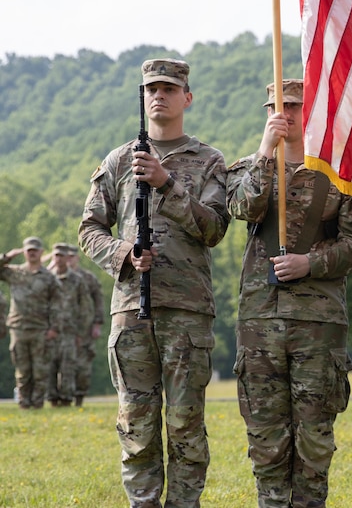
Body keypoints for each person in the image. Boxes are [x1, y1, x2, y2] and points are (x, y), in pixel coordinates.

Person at [79, 58, 230, 507]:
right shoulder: (120, 160)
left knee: (186, 428)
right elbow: (89, 229)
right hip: (131, 310)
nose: (158, 96)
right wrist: (125, 254)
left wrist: (167, 184)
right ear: (143, 98)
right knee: (137, 427)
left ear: (187, 97)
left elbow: (215, 229)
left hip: (187, 312)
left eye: (168, 88)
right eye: (151, 89)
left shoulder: (208, 160)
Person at [227, 79, 352, 507]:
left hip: (318, 324)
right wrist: (263, 152)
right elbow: (240, 208)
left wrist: (312, 263)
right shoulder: (248, 167)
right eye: (276, 106)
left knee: (314, 441)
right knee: (266, 438)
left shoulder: (339, 176)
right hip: (260, 322)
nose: (285, 114)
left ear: (311, 112)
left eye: (294, 106)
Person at [0, 237, 61, 410]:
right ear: (24, 252)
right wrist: (7, 256)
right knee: (22, 370)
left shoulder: (49, 278)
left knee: (40, 370)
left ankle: (37, 404)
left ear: (41, 252)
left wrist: (54, 328)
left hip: (41, 329)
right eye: (29, 250)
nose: (32, 253)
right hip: (19, 328)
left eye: (35, 250)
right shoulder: (14, 272)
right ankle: (24, 404)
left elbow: (57, 305)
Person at [45, 242, 91, 408]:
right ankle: (52, 401)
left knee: (68, 368)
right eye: (56, 255)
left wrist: (81, 332)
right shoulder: (47, 279)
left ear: (67, 258)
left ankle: (66, 400)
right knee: (49, 367)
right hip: (50, 331)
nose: (59, 258)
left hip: (70, 331)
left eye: (62, 255)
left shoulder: (77, 281)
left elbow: (86, 308)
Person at [67, 244, 106, 407]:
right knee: (63, 364)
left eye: (71, 256)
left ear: (77, 257)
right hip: (63, 328)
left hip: (84, 328)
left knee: (83, 364)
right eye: (65, 256)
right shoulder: (54, 275)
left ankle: (79, 399)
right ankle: (62, 400)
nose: (68, 260)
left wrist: (97, 323)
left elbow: (98, 300)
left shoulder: (88, 278)